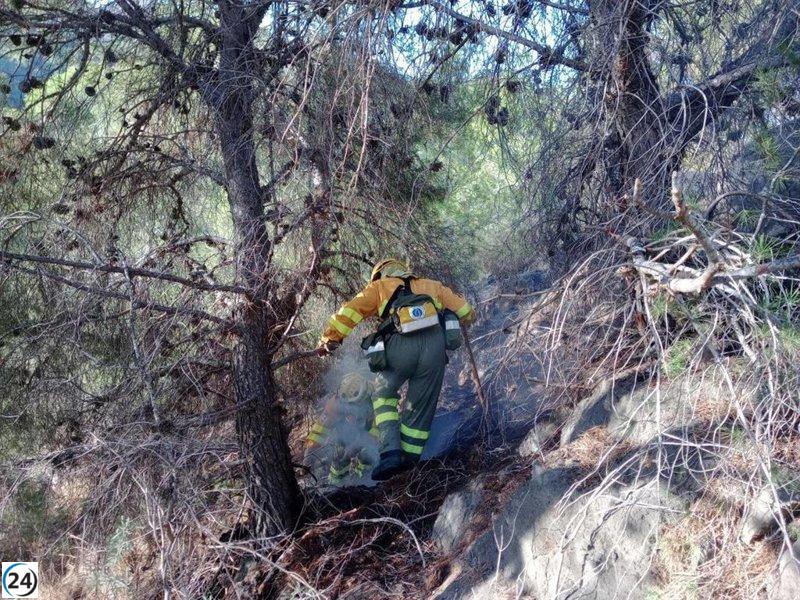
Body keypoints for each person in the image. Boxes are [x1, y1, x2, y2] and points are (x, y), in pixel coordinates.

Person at [317, 258, 475, 480]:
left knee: (383, 393)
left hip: (400, 346)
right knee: (421, 405)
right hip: (435, 351)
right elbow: (466, 311)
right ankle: (410, 462)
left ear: (381, 274)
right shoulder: (433, 285)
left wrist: (329, 339)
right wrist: (465, 318)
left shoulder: (379, 287)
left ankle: (390, 453)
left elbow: (351, 311)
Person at [305, 372, 379, 484]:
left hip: (373, 435)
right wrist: (309, 455)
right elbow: (319, 431)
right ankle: (336, 484)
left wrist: (355, 448)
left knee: (367, 455)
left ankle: (366, 481)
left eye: (354, 405)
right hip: (350, 431)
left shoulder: (378, 399)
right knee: (339, 455)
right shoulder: (334, 404)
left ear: (365, 398)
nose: (350, 409)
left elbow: (377, 433)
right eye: (347, 405)